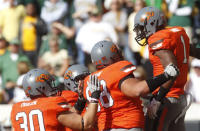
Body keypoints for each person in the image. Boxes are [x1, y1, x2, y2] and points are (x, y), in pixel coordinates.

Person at [80, 40, 179, 131]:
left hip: (105, 127)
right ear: (110, 57)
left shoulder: (88, 80)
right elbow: (137, 90)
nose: (119, 54)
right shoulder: (117, 69)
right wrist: (166, 75)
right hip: (127, 125)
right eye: (116, 52)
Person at [133, 7, 190, 131]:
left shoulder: (158, 38)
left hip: (167, 98)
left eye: (142, 28)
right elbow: (195, 51)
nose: (140, 32)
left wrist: (158, 99)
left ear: (152, 23)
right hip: (180, 97)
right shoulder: (177, 32)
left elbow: (172, 70)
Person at [11, 68, 101, 131]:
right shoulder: (51, 104)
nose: (52, 86)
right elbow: (85, 124)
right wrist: (94, 97)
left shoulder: (17, 108)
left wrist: (80, 100)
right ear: (41, 88)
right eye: (49, 83)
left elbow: (65, 115)